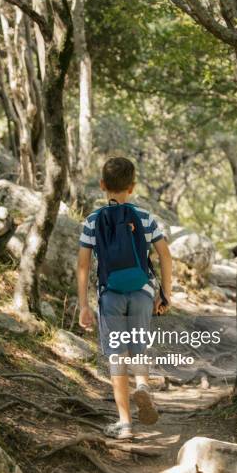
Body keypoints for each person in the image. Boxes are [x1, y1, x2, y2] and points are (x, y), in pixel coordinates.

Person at [77, 156, 172, 439]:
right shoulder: (145, 217)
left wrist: (83, 305)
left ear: (103, 185)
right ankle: (142, 384)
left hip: (110, 294)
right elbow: (165, 257)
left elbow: (83, 265)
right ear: (132, 187)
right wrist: (165, 293)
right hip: (142, 291)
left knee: (117, 354)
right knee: (138, 344)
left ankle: (126, 424)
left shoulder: (93, 221)